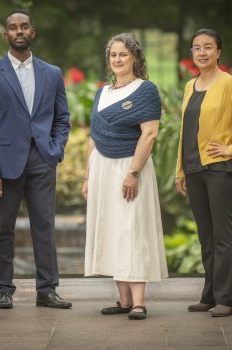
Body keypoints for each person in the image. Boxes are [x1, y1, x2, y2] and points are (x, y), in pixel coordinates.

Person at [0, 9, 72, 310]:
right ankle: (3, 289)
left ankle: (47, 290)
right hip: (4, 165)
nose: (19, 31)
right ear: (6, 34)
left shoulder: (52, 73)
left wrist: (55, 151)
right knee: (2, 229)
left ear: (32, 32)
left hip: (42, 159)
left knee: (45, 226)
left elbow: (62, 118)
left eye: (24, 26)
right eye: (13, 27)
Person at [175, 29, 232, 317]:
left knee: (222, 235)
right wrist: (180, 170)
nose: (202, 52)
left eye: (208, 47)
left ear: (218, 52)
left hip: (219, 169)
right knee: (206, 235)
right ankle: (210, 295)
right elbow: (184, 131)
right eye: (197, 48)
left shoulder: (230, 83)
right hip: (193, 168)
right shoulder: (190, 85)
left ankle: (225, 298)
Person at [82, 33, 168, 321]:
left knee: (132, 230)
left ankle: (139, 303)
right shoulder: (102, 92)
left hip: (130, 168)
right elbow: (93, 137)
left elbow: (150, 133)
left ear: (135, 58)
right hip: (102, 168)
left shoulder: (146, 91)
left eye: (123, 54)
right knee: (112, 229)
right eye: (113, 55)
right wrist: (86, 177)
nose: (117, 60)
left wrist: (133, 172)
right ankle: (123, 301)